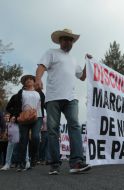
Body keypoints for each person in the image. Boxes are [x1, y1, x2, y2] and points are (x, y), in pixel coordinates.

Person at [35, 28, 90, 175]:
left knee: (75, 126)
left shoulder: (73, 60)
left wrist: (87, 63)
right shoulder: (51, 53)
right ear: (60, 41)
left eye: (70, 39)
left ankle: (76, 162)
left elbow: (83, 76)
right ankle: (54, 164)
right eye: (65, 39)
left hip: (71, 98)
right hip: (53, 98)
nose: (68, 41)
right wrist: (38, 78)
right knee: (53, 130)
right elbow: (41, 66)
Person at [6, 74, 45, 171]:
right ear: (24, 83)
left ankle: (34, 157)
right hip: (24, 118)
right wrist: (15, 115)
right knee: (23, 140)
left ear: (34, 81)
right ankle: (22, 163)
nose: (28, 80)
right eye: (26, 80)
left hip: (38, 117)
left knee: (36, 137)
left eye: (31, 79)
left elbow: (44, 104)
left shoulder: (39, 92)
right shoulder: (20, 93)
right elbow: (13, 107)